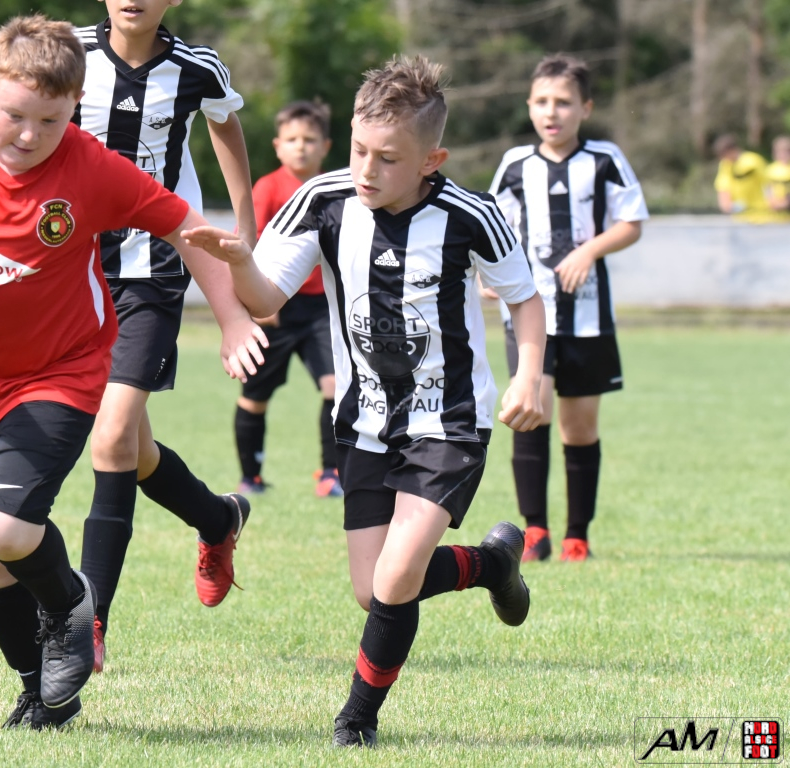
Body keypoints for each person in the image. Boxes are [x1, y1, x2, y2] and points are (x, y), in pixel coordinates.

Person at [0, 14, 264, 732]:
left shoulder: (89, 166)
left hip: (61, 372)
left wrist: (232, 316)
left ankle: (73, 602)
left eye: (49, 121)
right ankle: (42, 695)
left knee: (6, 527)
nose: (28, 135)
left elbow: (185, 228)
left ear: (74, 107)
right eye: (14, 115)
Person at [184, 54, 546, 748]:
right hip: (364, 423)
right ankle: (491, 565)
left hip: (450, 422)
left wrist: (528, 373)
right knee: (372, 588)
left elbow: (525, 300)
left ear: (431, 160)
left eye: (388, 158)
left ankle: (356, 720)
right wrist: (237, 263)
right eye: (358, 150)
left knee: (396, 576)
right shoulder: (321, 200)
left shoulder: (472, 215)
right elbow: (266, 299)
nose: (366, 170)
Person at [72, 0, 262, 674]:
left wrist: (244, 225)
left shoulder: (195, 68)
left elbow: (226, 123)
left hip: (152, 273)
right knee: (136, 449)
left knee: (111, 440)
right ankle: (217, 519)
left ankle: (89, 623)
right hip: (72, 275)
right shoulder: (65, 53)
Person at [488, 54, 648, 563]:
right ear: (528, 106)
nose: (551, 112)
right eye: (541, 101)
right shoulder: (515, 164)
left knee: (579, 427)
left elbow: (632, 222)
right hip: (529, 314)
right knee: (530, 412)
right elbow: (493, 230)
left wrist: (588, 251)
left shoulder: (604, 159)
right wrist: (490, 278)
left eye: (563, 102)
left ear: (586, 108)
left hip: (588, 315)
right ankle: (535, 531)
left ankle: (578, 535)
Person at [233, 100, 343, 498]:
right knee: (255, 396)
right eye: (292, 139)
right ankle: (251, 477)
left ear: (325, 147)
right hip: (275, 306)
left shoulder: (333, 190)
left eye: (310, 140)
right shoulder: (268, 188)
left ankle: (331, 473)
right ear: (278, 146)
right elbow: (251, 242)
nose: (301, 146)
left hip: (320, 307)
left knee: (336, 387)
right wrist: (258, 303)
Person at [713, 134, 776, 222]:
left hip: (761, 216)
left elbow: (768, 183)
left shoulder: (753, 161)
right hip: (739, 218)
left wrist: (772, 202)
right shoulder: (725, 165)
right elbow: (723, 188)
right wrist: (729, 206)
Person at [766, 135, 790, 213]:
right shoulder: (770, 169)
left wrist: (786, 203)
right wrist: (771, 201)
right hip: (775, 210)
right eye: (779, 151)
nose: (782, 154)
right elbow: (767, 188)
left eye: (786, 152)